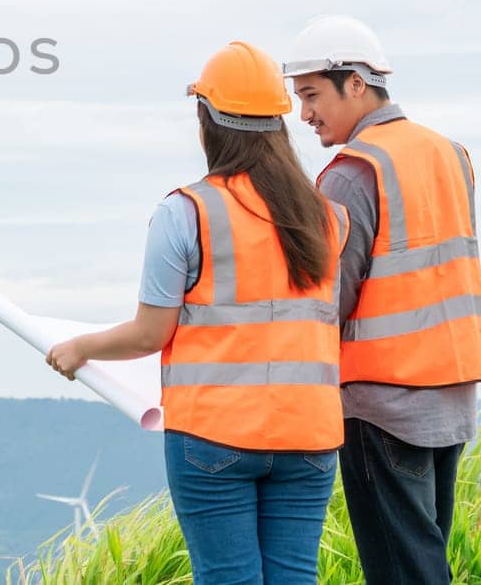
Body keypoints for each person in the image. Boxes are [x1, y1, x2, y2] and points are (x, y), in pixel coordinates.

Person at [47, 41, 349, 585]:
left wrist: (80, 347)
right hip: (309, 435)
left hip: (215, 438)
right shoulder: (329, 219)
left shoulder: (185, 212)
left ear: (206, 118)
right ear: (280, 124)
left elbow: (149, 333)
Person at [282, 15, 481, 585]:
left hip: (384, 399)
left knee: (400, 567)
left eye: (311, 95)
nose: (304, 115)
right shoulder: (451, 154)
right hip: (450, 388)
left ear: (356, 82)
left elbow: (329, 299)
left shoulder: (352, 173)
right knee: (426, 553)